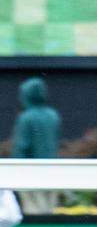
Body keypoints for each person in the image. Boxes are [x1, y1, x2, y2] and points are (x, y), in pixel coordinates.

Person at [11, 76, 61, 214]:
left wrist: (15, 171)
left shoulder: (26, 118)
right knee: (49, 211)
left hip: (30, 173)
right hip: (52, 171)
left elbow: (22, 147)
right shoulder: (53, 116)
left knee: (33, 212)